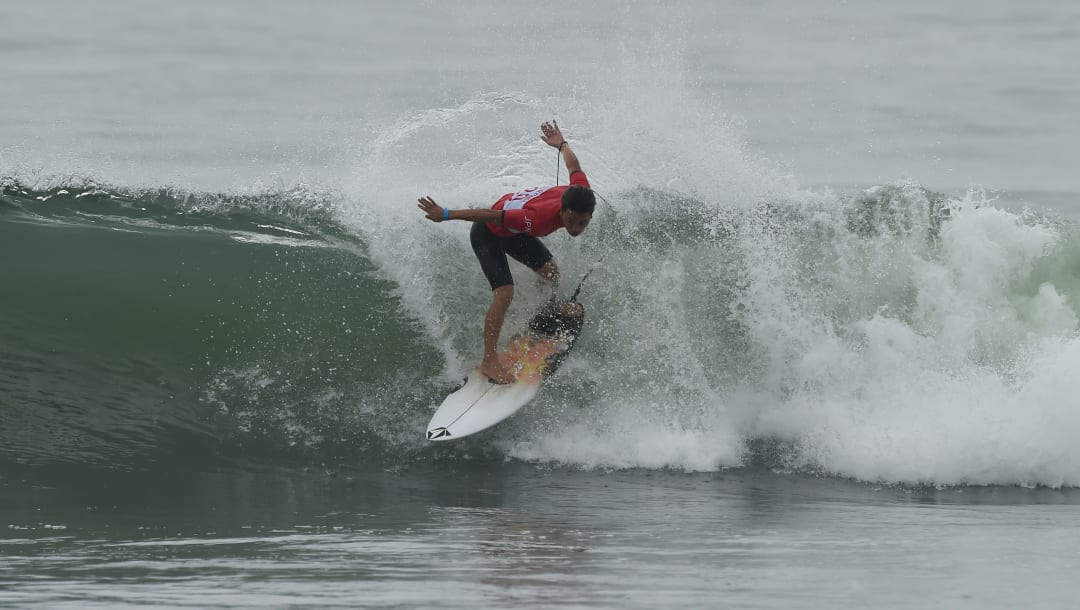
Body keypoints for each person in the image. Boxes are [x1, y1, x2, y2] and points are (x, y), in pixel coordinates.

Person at [417, 120, 596, 384]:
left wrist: (562, 144)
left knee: (551, 273)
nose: (576, 228)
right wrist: (445, 214)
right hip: (488, 231)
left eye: (583, 222)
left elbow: (574, 167)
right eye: (571, 221)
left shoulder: (580, 192)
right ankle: (489, 360)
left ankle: (547, 308)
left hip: (513, 232)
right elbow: (489, 215)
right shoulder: (534, 219)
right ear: (562, 211)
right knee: (504, 294)